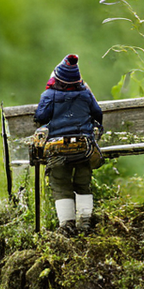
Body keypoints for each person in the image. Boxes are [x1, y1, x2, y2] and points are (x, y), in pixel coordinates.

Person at [34, 54, 103, 236]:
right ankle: (85, 222)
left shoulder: (49, 94)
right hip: (83, 148)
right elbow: (98, 113)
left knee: (60, 183)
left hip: (59, 149)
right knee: (83, 182)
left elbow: (40, 117)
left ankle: (67, 225)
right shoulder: (85, 93)